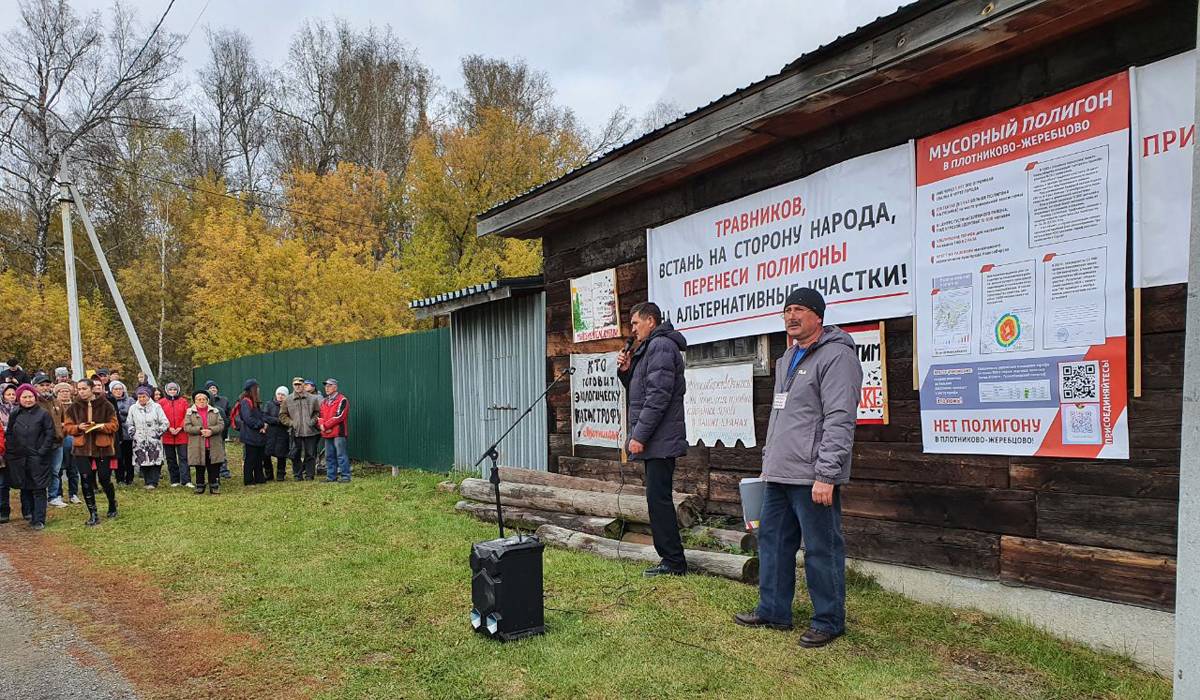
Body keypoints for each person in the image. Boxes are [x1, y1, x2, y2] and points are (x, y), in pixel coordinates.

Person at [734, 288, 862, 649]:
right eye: (787, 310)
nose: (791, 316)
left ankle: (829, 621)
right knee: (772, 542)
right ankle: (773, 610)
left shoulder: (837, 356)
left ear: (818, 316)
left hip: (812, 475)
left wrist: (827, 474)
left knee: (822, 548)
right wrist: (767, 464)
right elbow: (781, 417)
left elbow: (840, 419)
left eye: (800, 310)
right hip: (779, 472)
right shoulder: (786, 357)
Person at [616, 301, 689, 577]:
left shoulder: (660, 346)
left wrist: (639, 436)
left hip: (659, 439)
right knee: (656, 499)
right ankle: (670, 559)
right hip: (657, 438)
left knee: (658, 501)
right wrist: (626, 370)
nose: (632, 329)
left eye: (635, 323)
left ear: (650, 320)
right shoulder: (648, 348)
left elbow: (657, 397)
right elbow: (640, 389)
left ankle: (673, 562)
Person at [64, 378, 121, 526]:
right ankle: (93, 513)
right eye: (79, 389)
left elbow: (115, 425)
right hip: (81, 448)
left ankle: (112, 503)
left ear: (91, 389)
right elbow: (67, 427)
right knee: (86, 479)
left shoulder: (106, 405)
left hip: (102, 447)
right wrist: (78, 428)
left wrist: (100, 426)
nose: (81, 391)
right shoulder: (73, 407)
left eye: (84, 388)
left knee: (104, 478)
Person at [5, 384, 55, 530]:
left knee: (39, 488)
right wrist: (13, 450)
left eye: (30, 396)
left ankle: (39, 519)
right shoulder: (15, 413)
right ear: (19, 398)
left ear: (35, 397)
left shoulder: (43, 413)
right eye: (24, 397)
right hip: (20, 457)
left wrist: (42, 451)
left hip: (38, 456)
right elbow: (10, 433)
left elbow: (50, 434)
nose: (28, 399)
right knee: (25, 487)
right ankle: (30, 514)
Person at [34, 374, 68, 508]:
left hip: (57, 442)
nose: (45, 387)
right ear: (35, 386)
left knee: (55, 470)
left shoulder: (57, 402)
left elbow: (64, 421)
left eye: (47, 385)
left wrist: (61, 433)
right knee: (41, 471)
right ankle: (40, 496)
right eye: (42, 385)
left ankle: (53, 496)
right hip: (41, 443)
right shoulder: (34, 402)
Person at [126, 386, 168, 489]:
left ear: (148, 397)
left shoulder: (156, 407)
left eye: (144, 396)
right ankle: (147, 481)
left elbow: (165, 422)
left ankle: (154, 481)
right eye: (139, 397)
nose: (141, 399)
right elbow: (129, 423)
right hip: (139, 439)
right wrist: (133, 433)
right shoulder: (133, 408)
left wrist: (158, 432)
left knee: (155, 460)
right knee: (143, 460)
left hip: (153, 438)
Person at [185, 391, 226, 494]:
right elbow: (187, 427)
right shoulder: (190, 412)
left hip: (213, 444)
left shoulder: (215, 411)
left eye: (204, 399)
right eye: (199, 399)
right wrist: (200, 430)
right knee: (199, 466)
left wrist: (211, 431)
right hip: (197, 445)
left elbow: (221, 425)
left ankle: (214, 486)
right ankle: (200, 485)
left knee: (213, 466)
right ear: (195, 401)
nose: (201, 401)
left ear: (208, 400)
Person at [283, 377, 321, 481]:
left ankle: (309, 475)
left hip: (310, 431)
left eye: (300, 384)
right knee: (295, 454)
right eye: (296, 384)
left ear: (304, 385)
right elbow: (282, 415)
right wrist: (291, 423)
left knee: (310, 454)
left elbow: (317, 412)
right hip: (296, 432)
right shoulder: (288, 399)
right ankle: (297, 475)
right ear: (292, 385)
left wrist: (312, 422)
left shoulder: (313, 398)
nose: (298, 386)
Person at [158, 382, 192, 488]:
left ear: (178, 390)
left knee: (183, 457)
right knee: (171, 458)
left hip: (181, 434)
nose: (172, 392)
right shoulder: (161, 403)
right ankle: (174, 480)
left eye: (174, 390)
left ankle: (186, 480)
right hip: (168, 435)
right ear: (167, 391)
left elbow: (187, 415)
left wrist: (180, 427)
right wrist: (169, 427)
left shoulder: (183, 401)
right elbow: (160, 417)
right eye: (170, 390)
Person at [318, 378, 350, 482]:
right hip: (327, 433)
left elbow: (339, 416)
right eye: (326, 386)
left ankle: (345, 476)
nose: (326, 388)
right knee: (329, 456)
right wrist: (322, 426)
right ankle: (331, 477)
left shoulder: (342, 400)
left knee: (341, 455)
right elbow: (320, 416)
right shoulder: (324, 401)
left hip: (338, 433)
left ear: (335, 387)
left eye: (329, 386)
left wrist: (325, 426)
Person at [236, 379, 268, 485]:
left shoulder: (255, 402)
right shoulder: (246, 401)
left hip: (258, 435)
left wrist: (264, 424)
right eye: (257, 388)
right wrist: (261, 425)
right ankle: (248, 479)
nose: (258, 390)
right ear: (253, 389)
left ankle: (259, 478)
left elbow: (260, 415)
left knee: (259, 457)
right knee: (251, 458)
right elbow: (248, 418)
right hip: (250, 435)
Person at [54, 382, 81, 503]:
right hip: (59, 441)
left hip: (74, 439)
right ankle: (58, 494)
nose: (64, 393)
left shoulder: (76, 406)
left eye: (66, 391)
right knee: (58, 469)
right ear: (57, 393)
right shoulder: (54, 406)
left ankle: (73, 494)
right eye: (61, 391)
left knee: (73, 469)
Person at [109, 381, 135, 485]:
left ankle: (130, 478)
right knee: (118, 457)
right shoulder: (109, 401)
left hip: (128, 433)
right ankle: (119, 478)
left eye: (120, 389)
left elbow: (133, 413)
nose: (118, 391)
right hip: (116, 433)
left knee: (129, 456)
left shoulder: (130, 401)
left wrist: (121, 415)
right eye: (116, 389)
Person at [262, 386, 290, 481]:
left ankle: (280, 474)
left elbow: (289, 419)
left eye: (283, 395)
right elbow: (265, 417)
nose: (280, 396)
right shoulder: (269, 404)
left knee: (281, 455)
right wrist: (278, 421)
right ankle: (269, 474)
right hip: (270, 433)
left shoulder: (288, 405)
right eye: (279, 394)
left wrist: (283, 422)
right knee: (266, 454)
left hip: (283, 433)